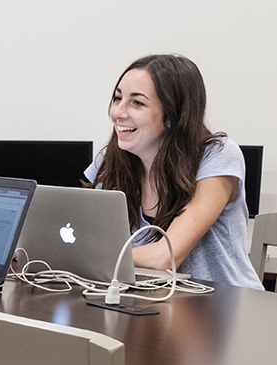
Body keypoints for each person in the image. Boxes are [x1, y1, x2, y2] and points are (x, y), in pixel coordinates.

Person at [84, 54, 262, 288]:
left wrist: (87, 254)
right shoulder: (110, 160)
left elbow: (164, 257)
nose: (117, 112)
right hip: (149, 302)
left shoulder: (218, 155)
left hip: (226, 309)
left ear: (172, 115)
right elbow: (78, 235)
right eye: (118, 98)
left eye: (137, 102)